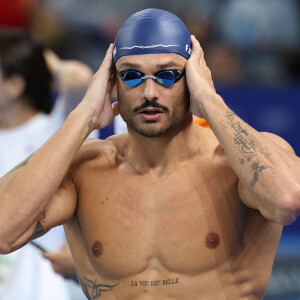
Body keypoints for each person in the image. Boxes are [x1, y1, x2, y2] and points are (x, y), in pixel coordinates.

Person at [0, 8, 299, 299]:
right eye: (131, 76)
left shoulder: (237, 165)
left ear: (193, 79)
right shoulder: (85, 169)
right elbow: (4, 231)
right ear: (111, 83)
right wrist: (83, 117)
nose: (149, 93)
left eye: (168, 75)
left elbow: (287, 201)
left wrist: (210, 100)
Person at [0, 29, 93, 299]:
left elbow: (78, 77)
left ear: (15, 84)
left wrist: (38, 57)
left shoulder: (59, 127)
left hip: (51, 283)